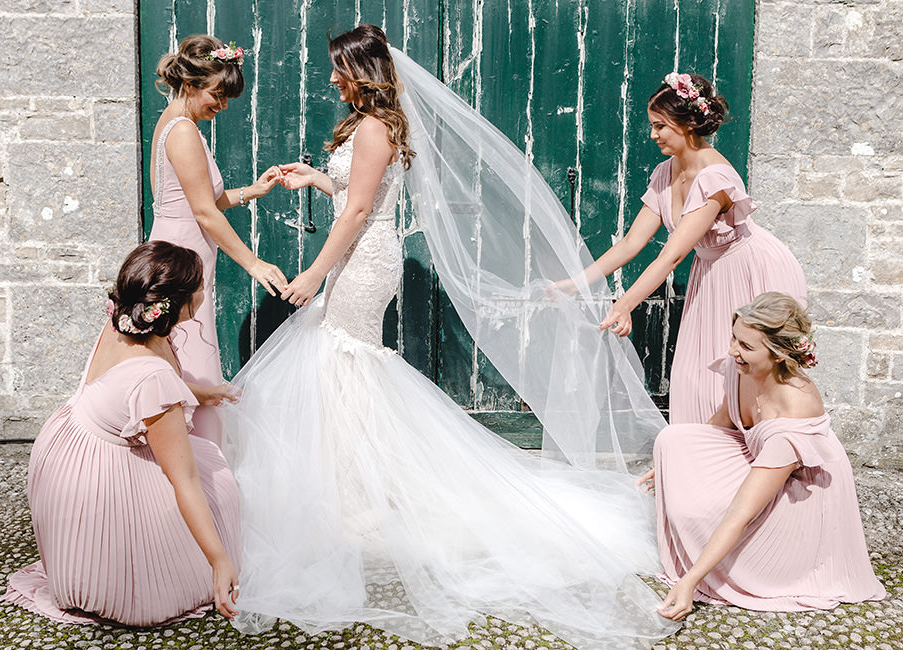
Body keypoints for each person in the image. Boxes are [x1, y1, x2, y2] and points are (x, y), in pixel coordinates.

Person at [221, 24, 678, 649]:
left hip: (361, 260)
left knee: (345, 360)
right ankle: (352, 482)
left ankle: (359, 491)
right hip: (355, 255)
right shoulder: (365, 123)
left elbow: (360, 213)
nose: (330, 78)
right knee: (340, 364)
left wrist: (313, 273)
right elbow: (356, 194)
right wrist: (315, 178)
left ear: (362, 70)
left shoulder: (378, 127)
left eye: (338, 68)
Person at [3, 241, 243, 626]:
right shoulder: (154, 376)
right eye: (199, 285)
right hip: (94, 478)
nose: (204, 290)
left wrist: (203, 393)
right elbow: (184, 480)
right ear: (176, 303)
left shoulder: (125, 320)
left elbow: (126, 386)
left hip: (65, 448)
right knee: (217, 488)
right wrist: (218, 561)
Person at [552, 73, 806, 425]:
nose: (653, 134)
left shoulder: (715, 178)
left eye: (660, 126)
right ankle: (701, 461)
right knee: (693, 374)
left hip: (751, 269)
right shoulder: (665, 172)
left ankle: (755, 462)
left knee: (743, 372)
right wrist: (575, 282)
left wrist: (625, 305)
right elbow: (631, 242)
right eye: (652, 126)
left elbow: (671, 255)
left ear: (688, 124)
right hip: (711, 272)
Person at [638, 292, 885, 621]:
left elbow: (742, 512)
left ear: (781, 353)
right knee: (673, 439)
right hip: (757, 459)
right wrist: (673, 464)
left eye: (745, 347)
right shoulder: (743, 367)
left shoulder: (793, 412)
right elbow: (721, 423)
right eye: (734, 338)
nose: (732, 351)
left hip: (801, 497)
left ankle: (732, 564)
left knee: (711, 514)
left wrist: (690, 582)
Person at [149, 34, 288, 446]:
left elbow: (201, 199)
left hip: (180, 252)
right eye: (217, 95)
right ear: (191, 84)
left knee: (178, 360)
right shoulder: (183, 131)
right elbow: (204, 212)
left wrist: (251, 192)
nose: (222, 106)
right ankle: (202, 465)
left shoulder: (177, 121)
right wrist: (254, 263)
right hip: (181, 262)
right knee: (193, 364)